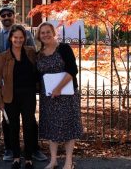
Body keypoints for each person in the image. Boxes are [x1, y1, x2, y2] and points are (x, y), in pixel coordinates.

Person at [0, 5, 47, 162]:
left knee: (30, 123)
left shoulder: (27, 39)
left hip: (27, 91)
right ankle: (10, 150)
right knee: (9, 123)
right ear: (0, 18)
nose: (6, 17)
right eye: (3, 15)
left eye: (9, 14)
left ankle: (33, 150)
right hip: (8, 88)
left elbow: (37, 57)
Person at [35, 22, 82, 169]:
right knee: (51, 127)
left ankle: (68, 161)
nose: (45, 35)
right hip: (48, 97)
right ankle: (53, 160)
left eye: (48, 31)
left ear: (53, 33)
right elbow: (38, 75)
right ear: (39, 36)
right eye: (42, 33)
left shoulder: (64, 48)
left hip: (66, 95)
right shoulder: (39, 54)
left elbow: (72, 70)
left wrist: (58, 88)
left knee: (69, 126)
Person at [0, 25, 38, 169]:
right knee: (12, 127)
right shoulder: (3, 57)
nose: (18, 40)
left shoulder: (31, 52)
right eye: (16, 37)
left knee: (29, 125)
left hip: (28, 96)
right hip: (10, 96)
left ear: (25, 38)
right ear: (11, 38)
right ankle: (15, 157)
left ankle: (29, 158)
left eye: (21, 37)